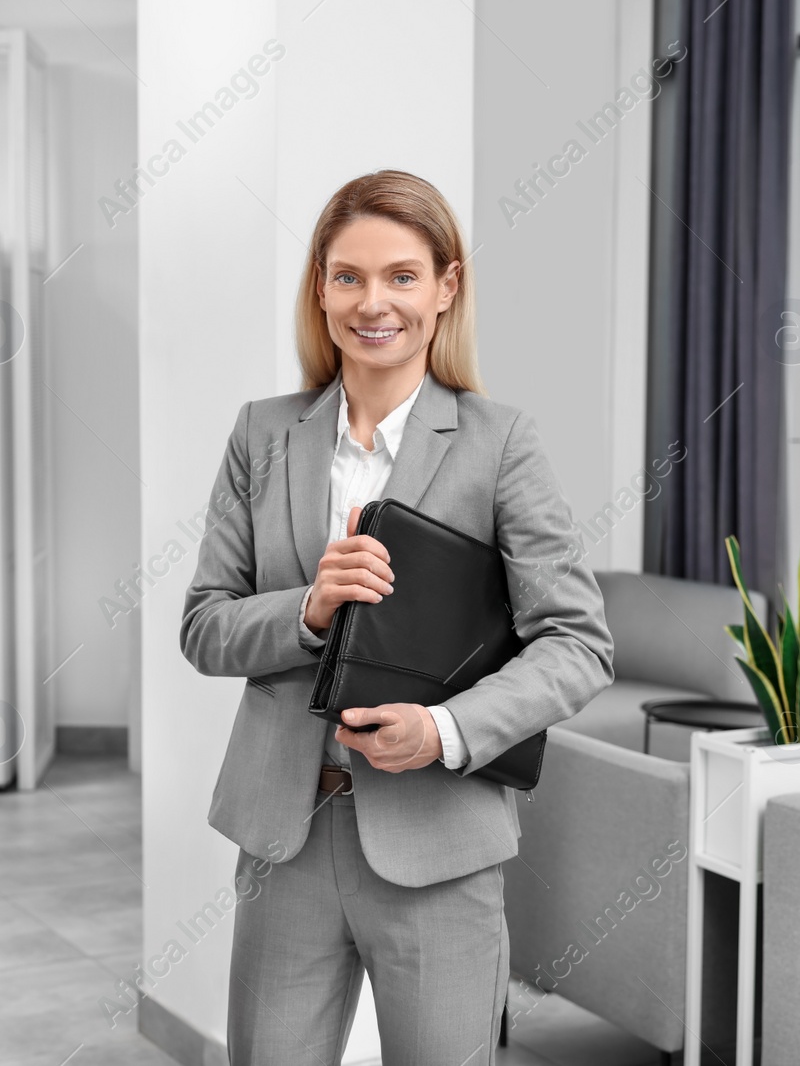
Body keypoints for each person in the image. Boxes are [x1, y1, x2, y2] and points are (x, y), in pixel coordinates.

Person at [179, 169, 615, 1065]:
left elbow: (577, 643)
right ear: (321, 288)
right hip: (285, 837)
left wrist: (446, 728)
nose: (374, 302)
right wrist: (307, 607)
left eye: (402, 276)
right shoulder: (262, 435)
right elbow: (204, 625)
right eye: (348, 276)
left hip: (439, 845)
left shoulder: (502, 443)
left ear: (446, 286)